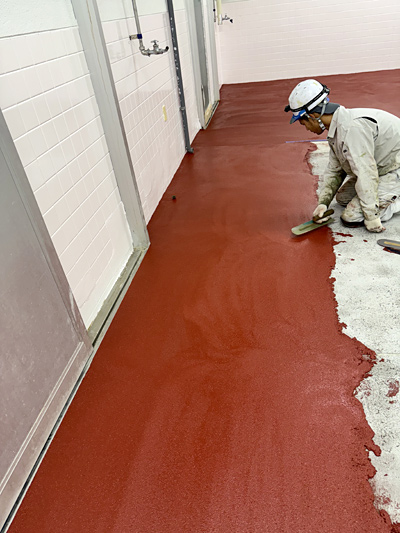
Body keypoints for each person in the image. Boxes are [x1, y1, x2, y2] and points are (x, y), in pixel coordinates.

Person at [285, 79, 400, 233]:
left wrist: (372, 216)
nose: (305, 128)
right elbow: (335, 170)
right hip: (383, 164)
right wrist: (323, 203)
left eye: (303, 123)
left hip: (394, 167)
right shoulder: (337, 128)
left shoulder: (352, 129)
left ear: (312, 115)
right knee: (343, 199)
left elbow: (366, 173)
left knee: (352, 217)